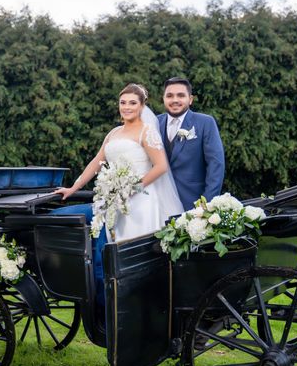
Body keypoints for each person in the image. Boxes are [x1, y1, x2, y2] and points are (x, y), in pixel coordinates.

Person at [54, 83, 183, 242]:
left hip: (139, 200)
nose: (127, 107)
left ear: (142, 106)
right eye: (123, 102)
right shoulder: (114, 132)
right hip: (112, 198)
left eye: (132, 103)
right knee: (96, 233)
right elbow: (97, 162)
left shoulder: (146, 131)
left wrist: (133, 188)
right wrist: (73, 188)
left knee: (126, 246)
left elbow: (161, 166)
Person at [158, 77, 225, 210]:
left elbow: (216, 165)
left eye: (181, 95)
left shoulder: (205, 123)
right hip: (158, 206)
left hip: (193, 204)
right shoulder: (154, 123)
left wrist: (206, 203)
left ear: (190, 99)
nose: (175, 100)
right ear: (163, 98)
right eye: (169, 95)